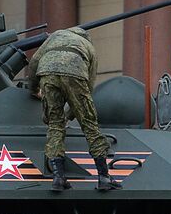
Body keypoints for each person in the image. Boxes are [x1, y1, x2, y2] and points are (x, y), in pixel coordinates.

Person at [26, 27, 118, 193]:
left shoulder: (54, 37)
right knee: (89, 124)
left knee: (55, 124)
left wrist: (33, 89)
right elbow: (89, 87)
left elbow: (34, 62)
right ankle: (104, 177)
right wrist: (72, 114)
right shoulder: (88, 46)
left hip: (47, 74)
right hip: (75, 73)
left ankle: (58, 178)